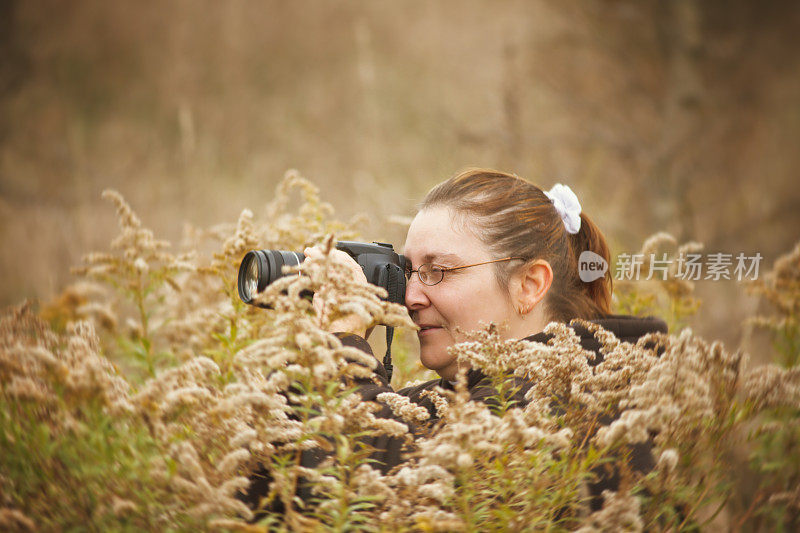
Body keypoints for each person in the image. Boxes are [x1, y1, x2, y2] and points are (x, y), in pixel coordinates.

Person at [242, 168, 667, 513]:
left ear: (529, 285)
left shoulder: (582, 402)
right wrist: (314, 359)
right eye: (407, 271)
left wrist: (342, 352)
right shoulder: (452, 401)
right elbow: (282, 495)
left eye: (438, 271)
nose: (409, 297)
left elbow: (396, 502)